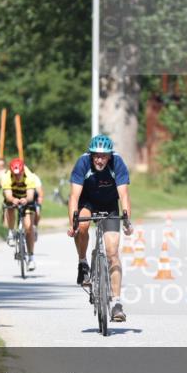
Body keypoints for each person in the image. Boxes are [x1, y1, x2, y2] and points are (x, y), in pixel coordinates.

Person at [67, 135, 133, 322]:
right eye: (96, 155)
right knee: (82, 226)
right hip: (87, 202)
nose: (99, 159)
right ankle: (82, 263)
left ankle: (117, 304)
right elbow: (73, 196)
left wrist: (127, 220)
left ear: (109, 156)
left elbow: (124, 194)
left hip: (110, 204)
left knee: (113, 253)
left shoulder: (117, 163)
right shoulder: (82, 163)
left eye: (103, 156)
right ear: (91, 155)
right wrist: (72, 223)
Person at [1, 158, 39, 271]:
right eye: (15, 175)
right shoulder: (6, 177)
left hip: (26, 198)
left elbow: (31, 196)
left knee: (28, 227)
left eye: (19, 174)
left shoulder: (30, 176)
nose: (17, 177)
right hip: (12, 196)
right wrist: (13, 199)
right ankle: (11, 232)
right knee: (9, 207)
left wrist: (25, 200)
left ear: (23, 171)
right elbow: (7, 195)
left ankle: (31, 258)